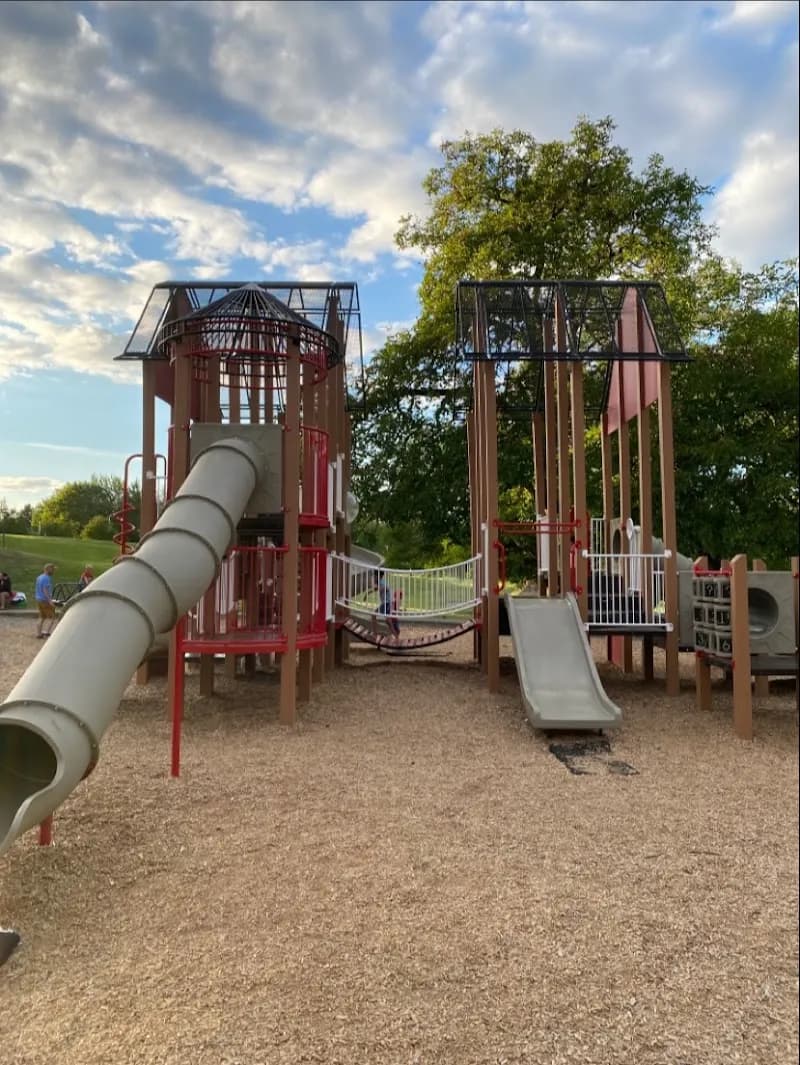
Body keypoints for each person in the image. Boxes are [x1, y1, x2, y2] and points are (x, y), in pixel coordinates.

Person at [34, 563, 56, 638]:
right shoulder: (47, 578)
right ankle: (46, 632)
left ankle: (39, 634)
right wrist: (50, 600)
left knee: (42, 617)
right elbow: (45, 590)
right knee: (52, 617)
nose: (53, 571)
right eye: (53, 569)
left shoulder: (39, 577)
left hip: (39, 599)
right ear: (49, 569)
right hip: (45, 600)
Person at [377, 570, 400, 637]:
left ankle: (396, 635)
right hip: (386, 603)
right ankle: (395, 634)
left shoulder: (382, 582)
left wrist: (381, 589)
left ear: (378, 576)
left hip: (386, 603)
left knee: (388, 620)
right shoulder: (381, 581)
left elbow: (386, 588)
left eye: (375, 576)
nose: (374, 577)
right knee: (387, 620)